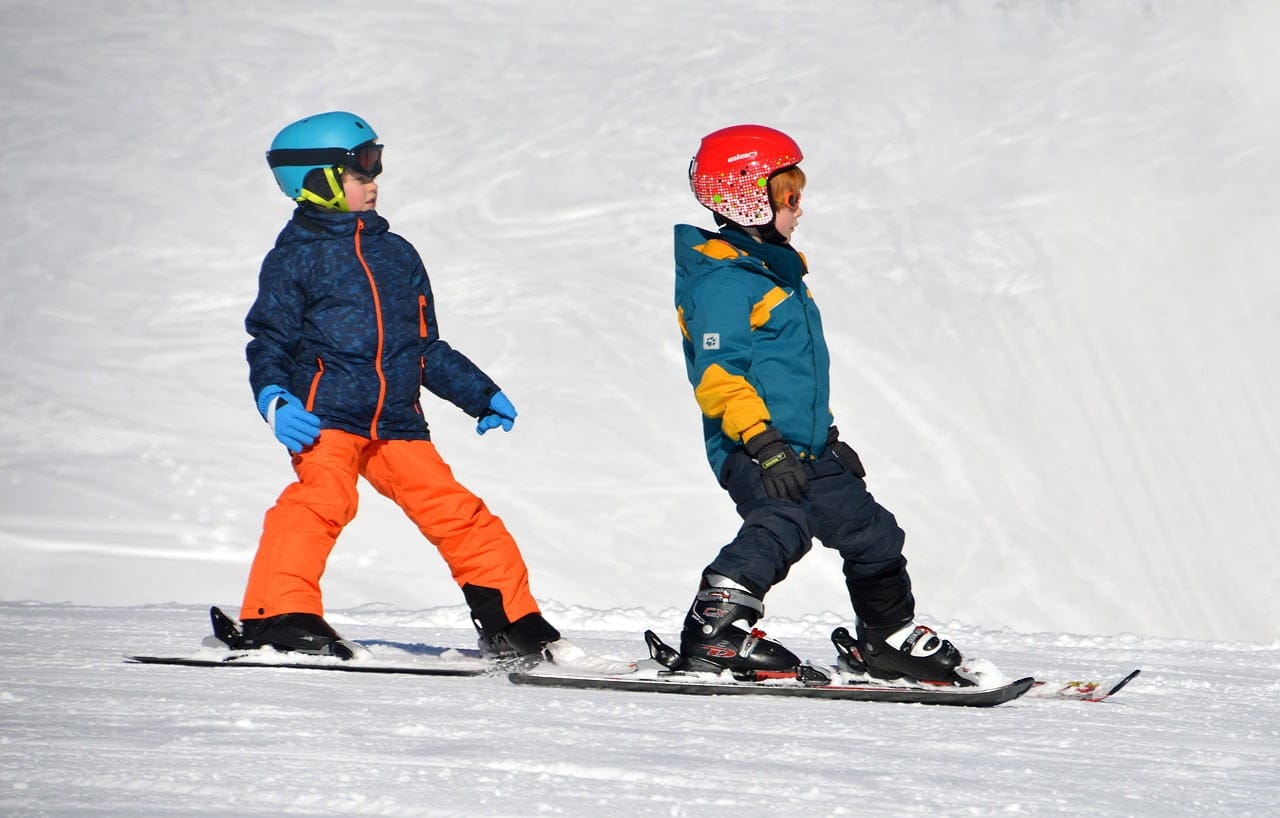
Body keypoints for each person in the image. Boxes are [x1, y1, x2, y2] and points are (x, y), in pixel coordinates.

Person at [236, 110, 560, 662]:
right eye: (360, 171)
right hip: (326, 414)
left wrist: (478, 392)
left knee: (460, 513)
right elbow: (270, 339)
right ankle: (278, 615)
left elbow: (423, 345)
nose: (374, 182)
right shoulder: (295, 259)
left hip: (397, 421)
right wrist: (274, 397)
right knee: (320, 502)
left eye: (375, 167)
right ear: (317, 180)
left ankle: (512, 620)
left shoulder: (397, 253)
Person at [671, 124, 969, 684]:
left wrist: (826, 439)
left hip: (805, 448)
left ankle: (886, 639)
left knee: (873, 533)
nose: (798, 209)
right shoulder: (724, 281)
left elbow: (793, 377)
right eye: (789, 196)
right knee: (782, 525)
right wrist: (762, 442)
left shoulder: (774, 271)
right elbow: (718, 377)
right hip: (752, 446)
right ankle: (714, 634)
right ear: (744, 195)